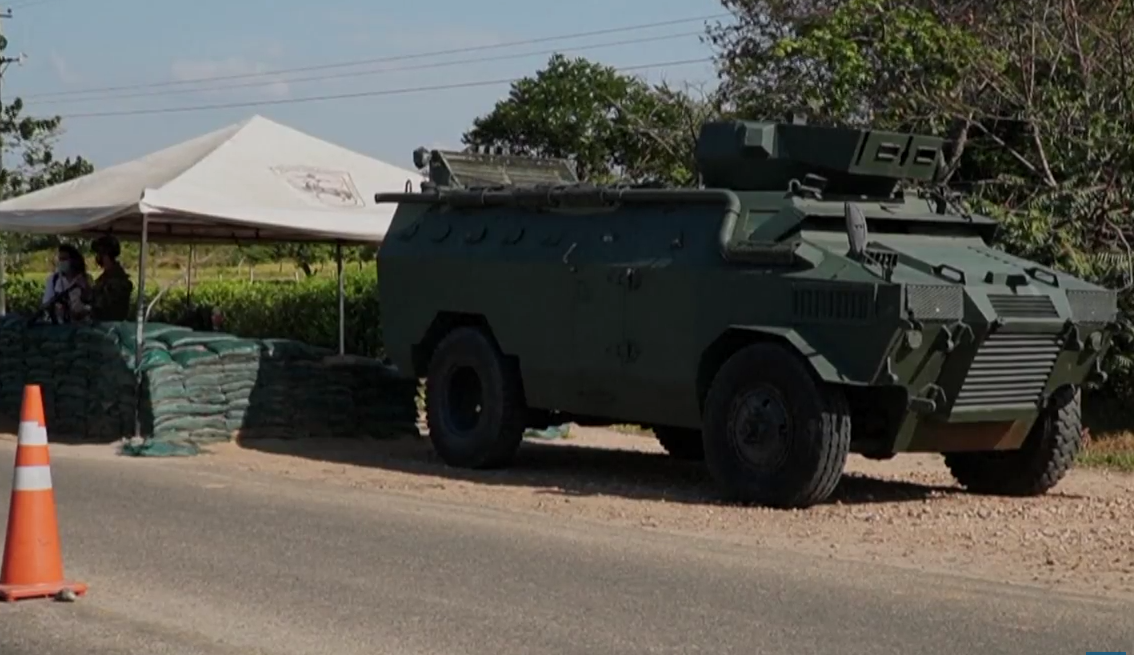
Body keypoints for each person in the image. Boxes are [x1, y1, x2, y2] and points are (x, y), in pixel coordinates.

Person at [85, 235, 135, 322]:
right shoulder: (106, 276)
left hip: (110, 328)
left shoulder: (117, 279)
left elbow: (104, 306)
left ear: (105, 254)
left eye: (99, 253)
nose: (97, 257)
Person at [40, 243, 93, 324]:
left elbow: (91, 301)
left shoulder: (85, 278)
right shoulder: (54, 279)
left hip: (80, 326)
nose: (61, 262)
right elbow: (46, 304)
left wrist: (85, 287)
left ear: (74, 260)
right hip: (59, 326)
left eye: (64, 259)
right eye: (60, 259)